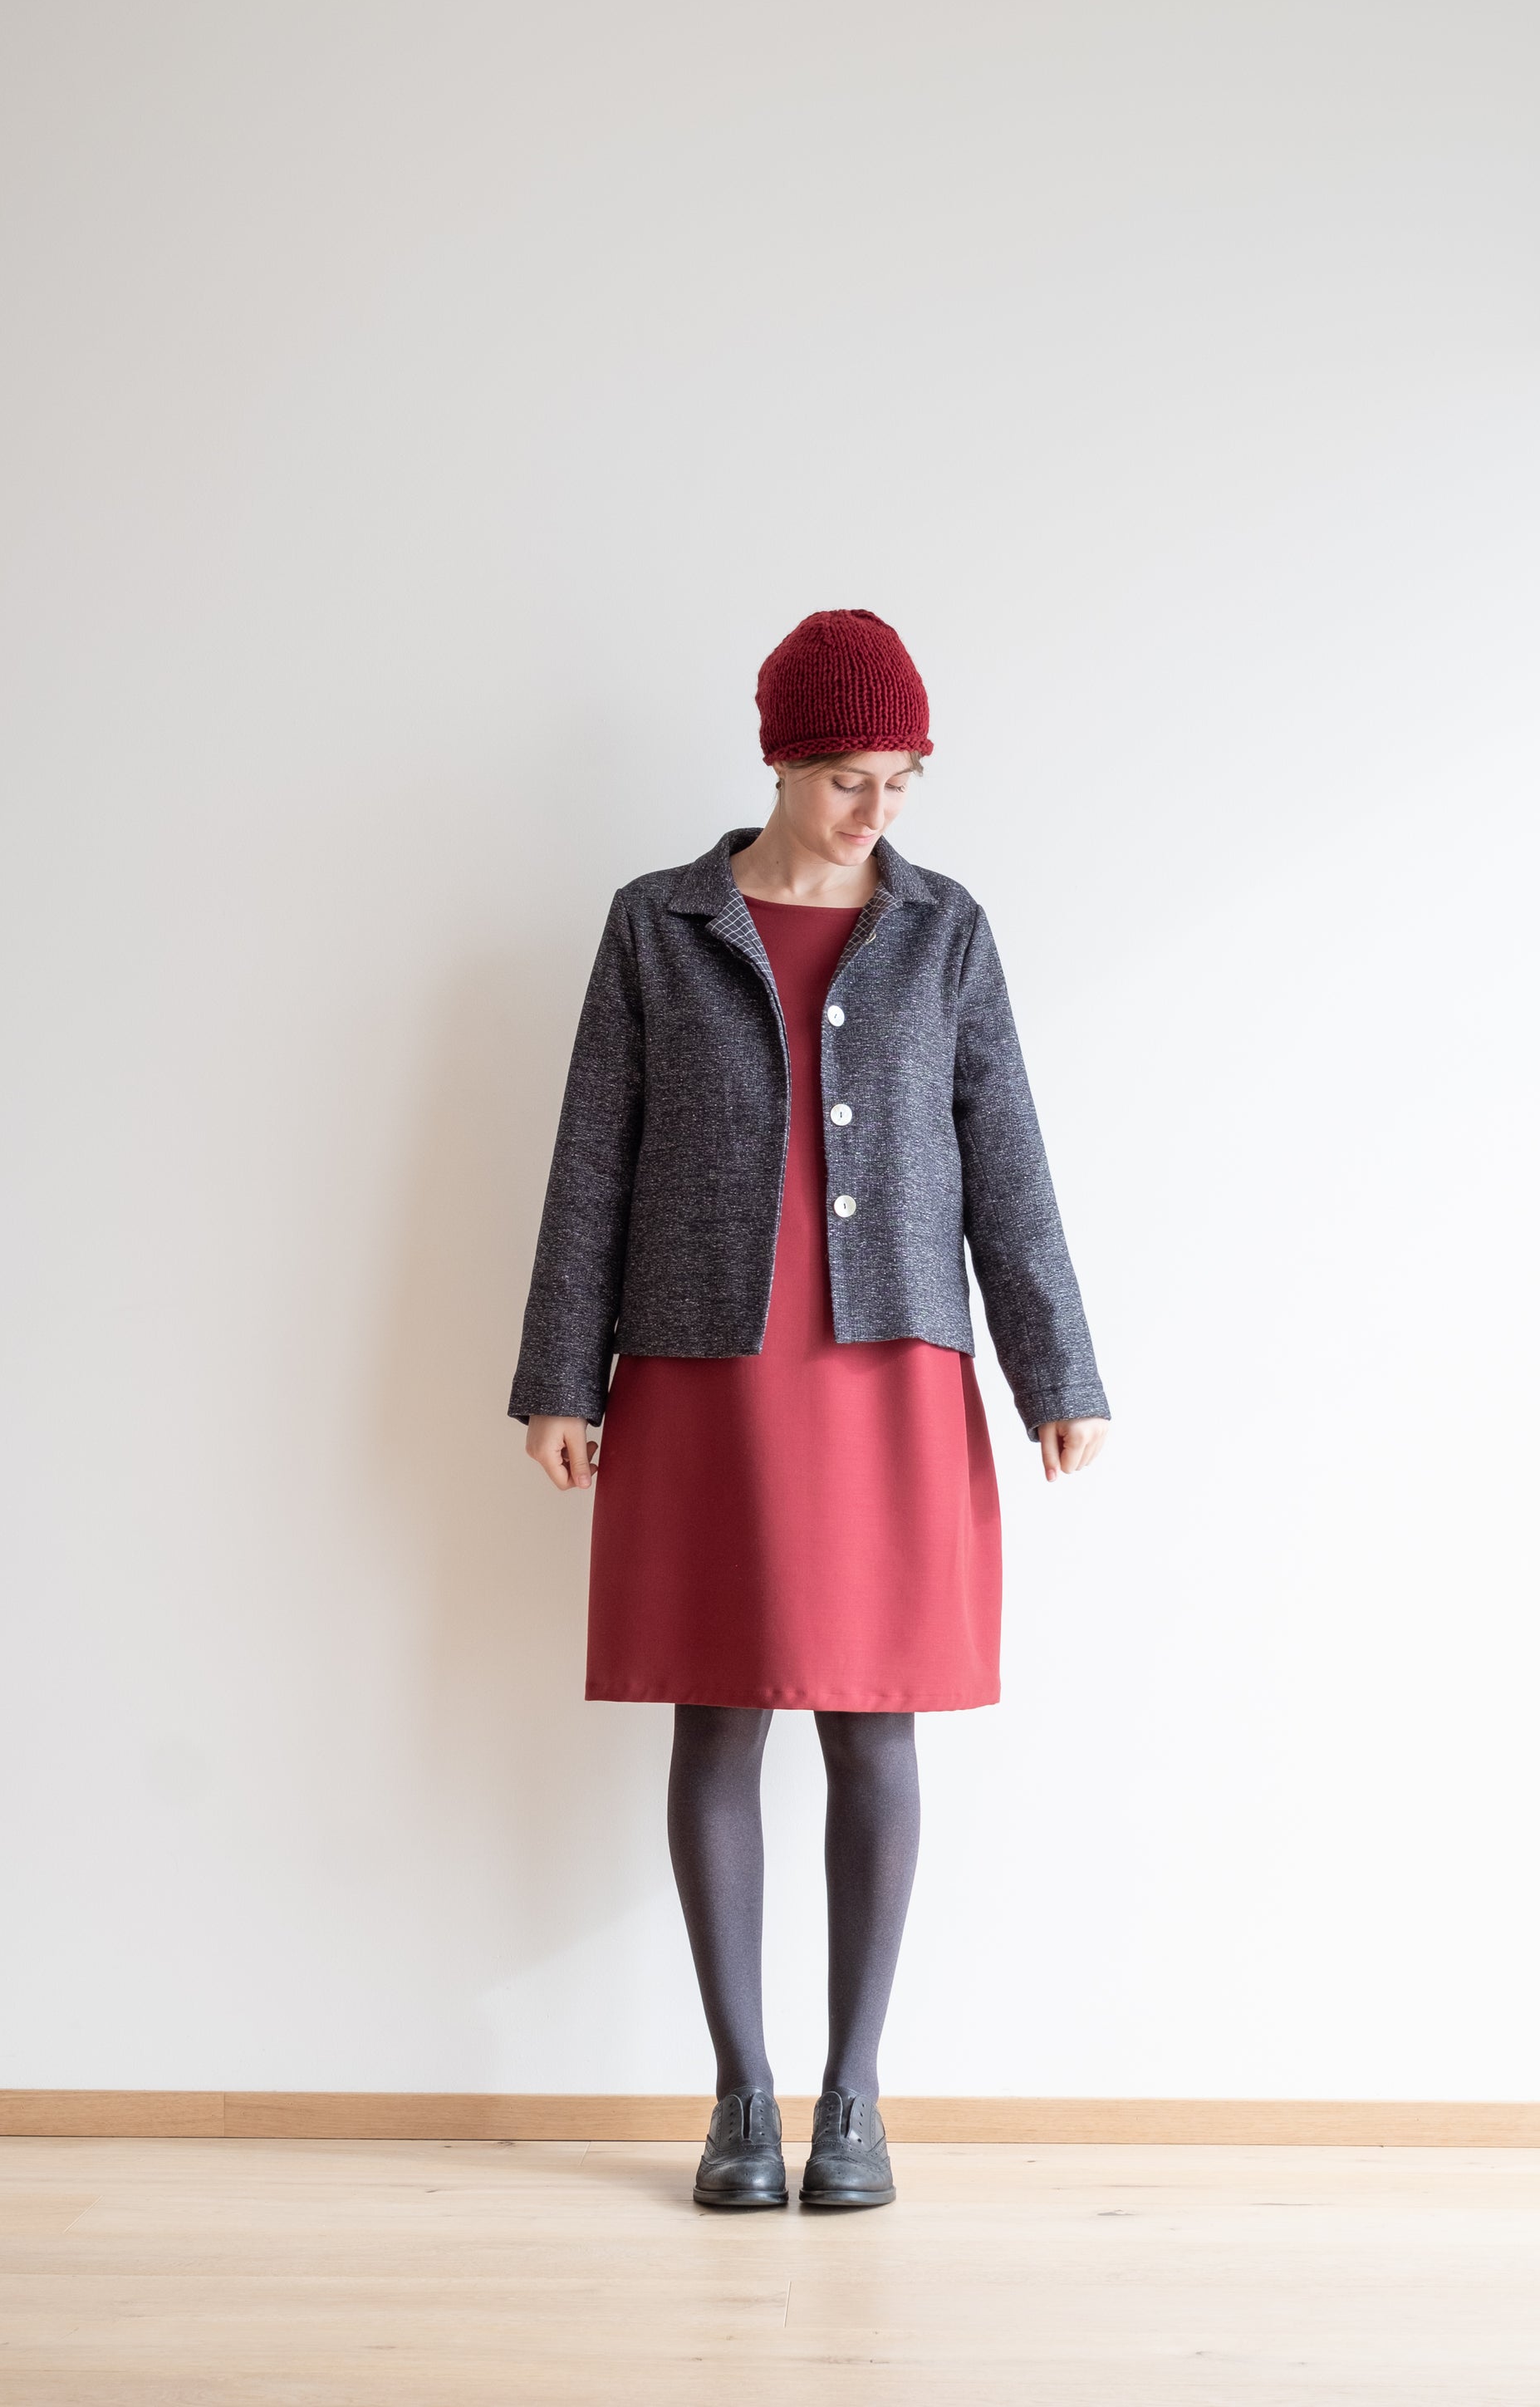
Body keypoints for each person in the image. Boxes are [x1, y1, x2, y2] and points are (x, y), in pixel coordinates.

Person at [508, 608, 1109, 2210]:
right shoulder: (655, 925)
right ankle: (738, 2100)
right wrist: (560, 1378)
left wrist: (1054, 1374)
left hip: (886, 1368)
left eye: (901, 781)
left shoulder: (945, 930)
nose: (874, 810)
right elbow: (591, 1160)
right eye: (849, 778)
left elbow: (1006, 1158)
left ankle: (853, 2100)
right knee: (717, 1711)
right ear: (779, 761)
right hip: (704, 1368)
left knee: (873, 1714)